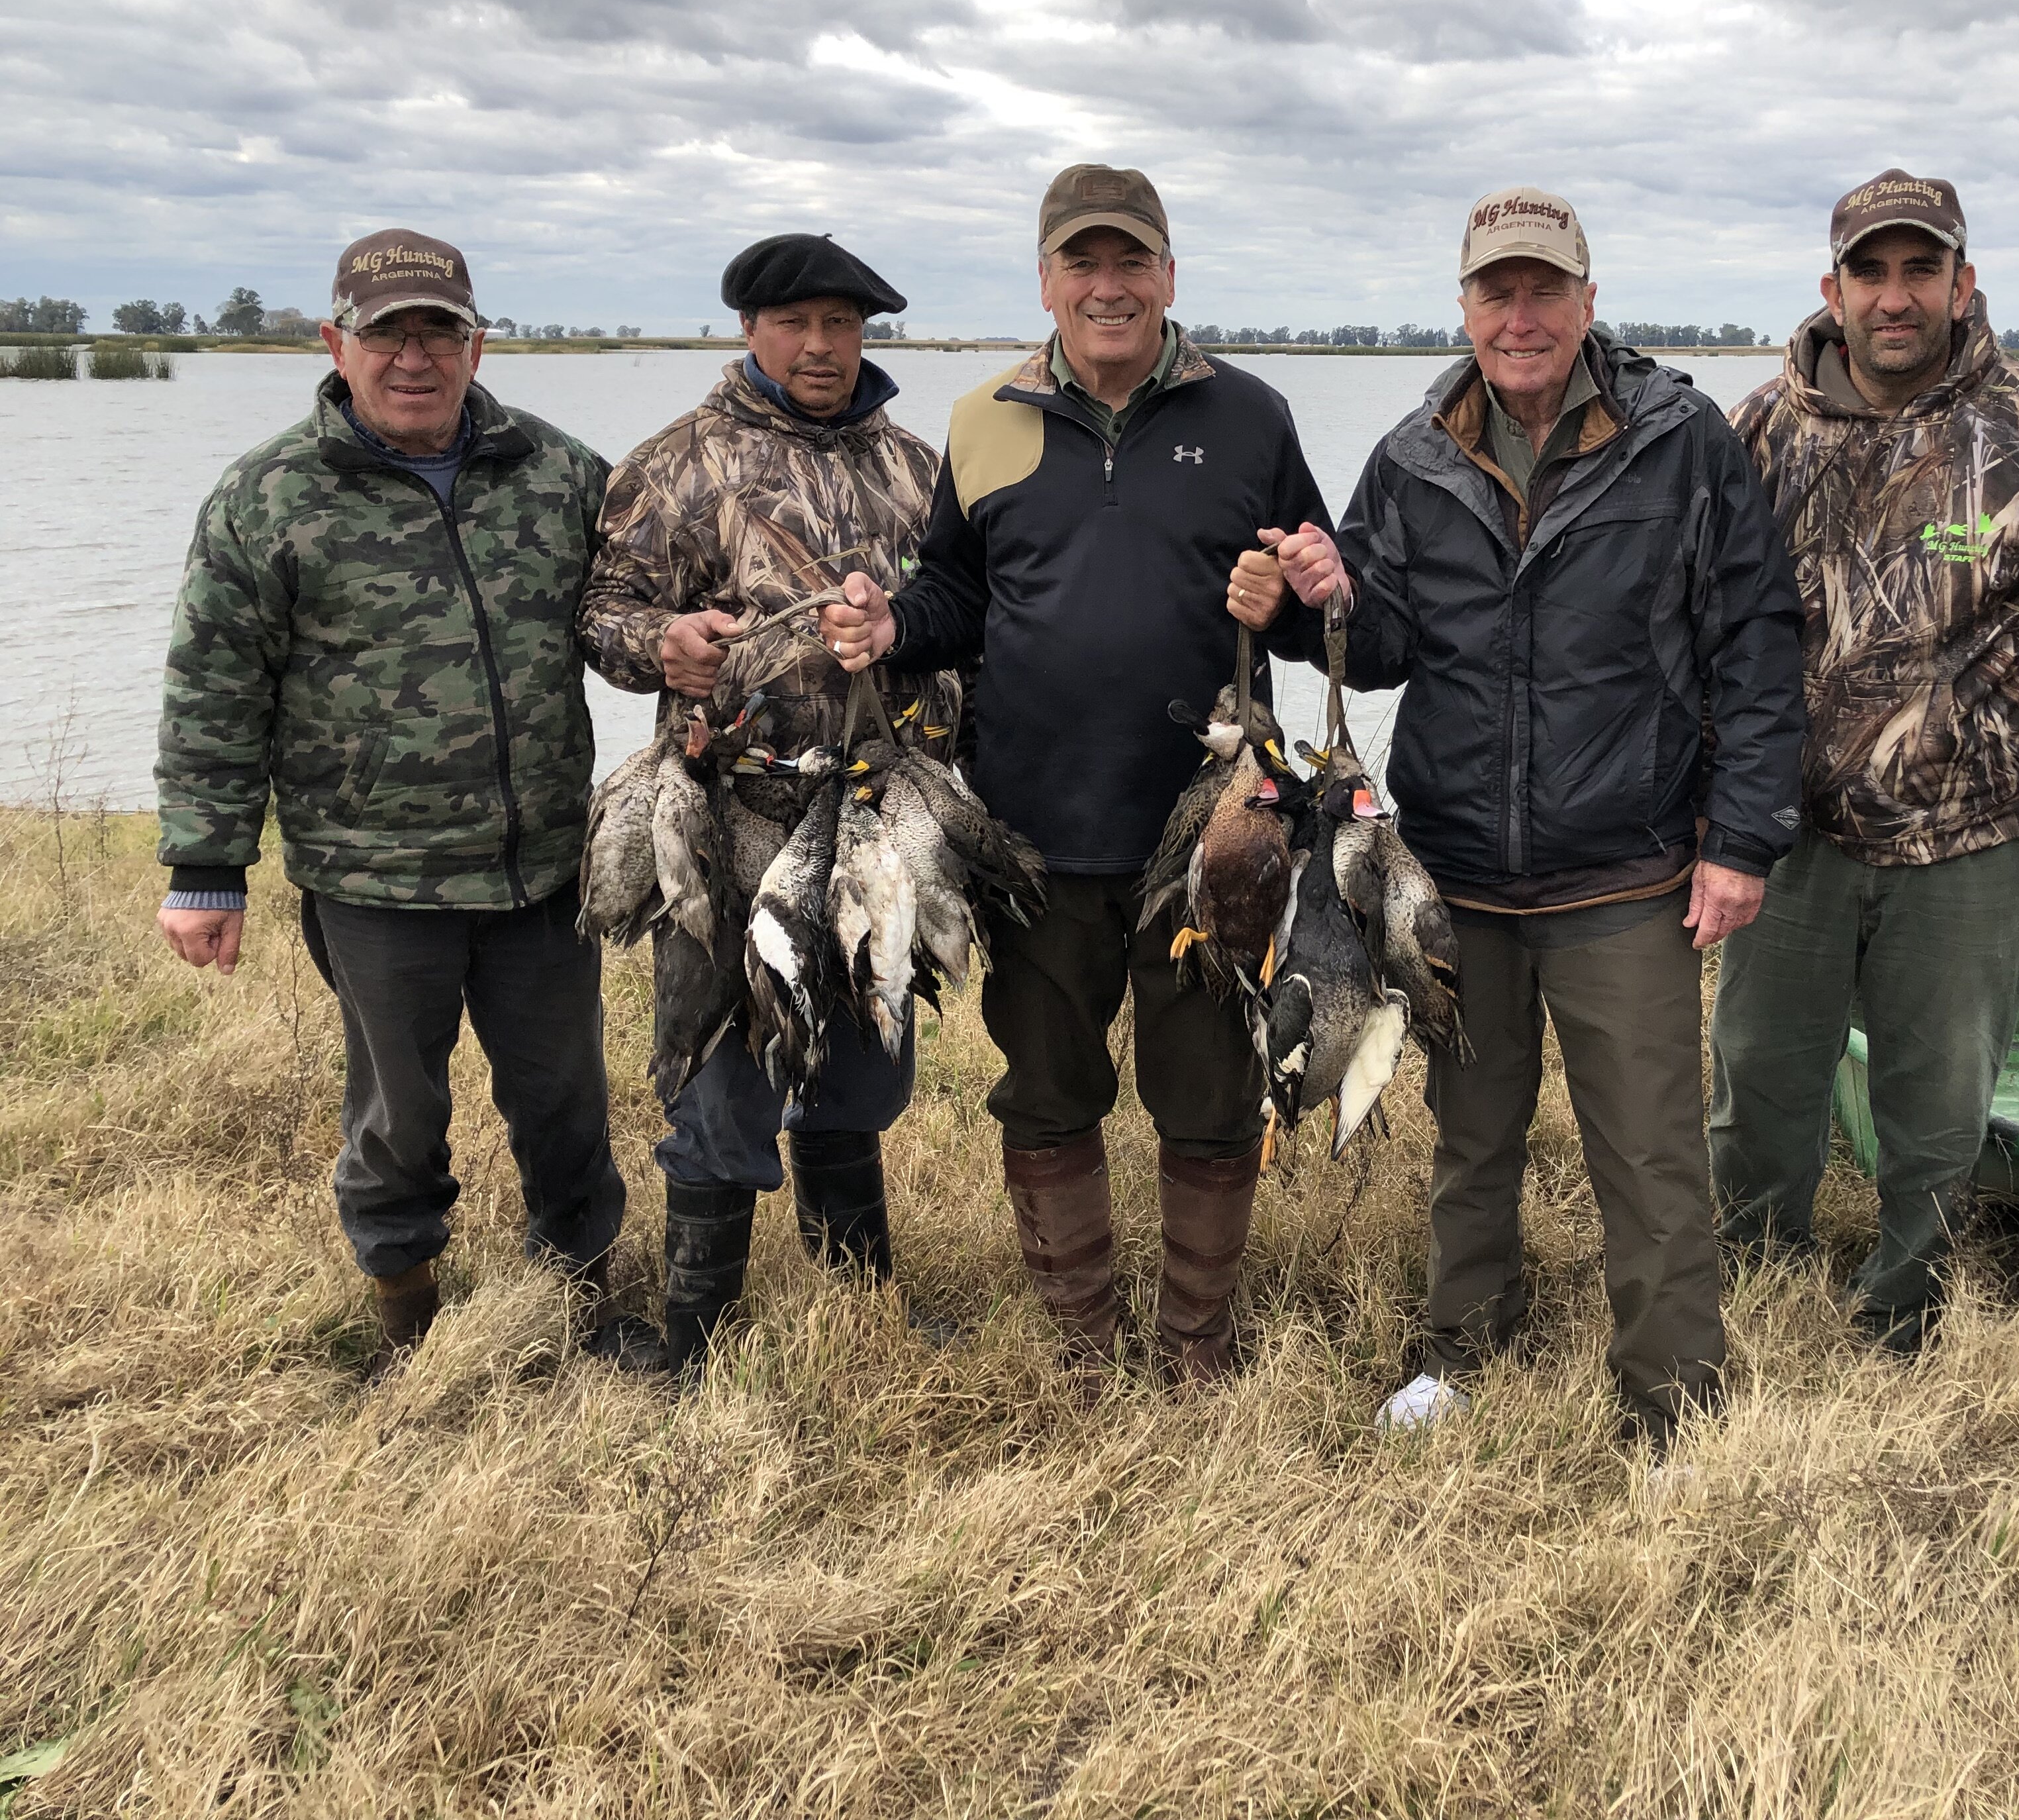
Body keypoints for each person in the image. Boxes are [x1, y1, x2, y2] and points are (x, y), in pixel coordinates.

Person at [1273, 186, 1805, 1446]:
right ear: (1462, 306)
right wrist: (1325, 597)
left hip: (1622, 869)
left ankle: (1673, 1393)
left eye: (1544, 289)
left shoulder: (1681, 442)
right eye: (1495, 292)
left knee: (1651, 1154)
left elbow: (1757, 645)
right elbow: (1384, 642)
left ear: (1587, 297)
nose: (1521, 316)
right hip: (1456, 872)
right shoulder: (1410, 456)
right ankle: (1464, 1343)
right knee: (1474, 1137)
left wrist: (1741, 841)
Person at [821, 166, 1332, 1382]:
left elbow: (1321, 610)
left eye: (1131, 262)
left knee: (1207, 1098)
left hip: (1208, 839)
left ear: (1169, 274)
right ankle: (1085, 1349)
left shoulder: (1254, 418)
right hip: (1034, 829)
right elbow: (955, 591)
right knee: (1049, 1093)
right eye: (1082, 264)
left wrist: (1298, 591)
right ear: (1045, 280)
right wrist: (893, 623)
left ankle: (1193, 1347)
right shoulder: (985, 416)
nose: (1108, 288)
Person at [156, 228, 623, 1375]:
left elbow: (628, 621)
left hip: (545, 868)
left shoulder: (563, 473)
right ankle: (405, 1320)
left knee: (565, 1101)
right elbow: (215, 690)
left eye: (439, 332)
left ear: (477, 343)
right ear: (336, 342)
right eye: (387, 332)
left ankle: (583, 1300)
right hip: (376, 877)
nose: (414, 357)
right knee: (398, 1118)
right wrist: (206, 869)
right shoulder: (268, 499)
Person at [1710, 172, 2019, 1352]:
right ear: (1832, 289)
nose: (1895, 296)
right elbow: (1705, 626)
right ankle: (1756, 1280)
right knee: (1761, 1081)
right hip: (1790, 832)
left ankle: (1904, 1302)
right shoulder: (1762, 427)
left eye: (1920, 269)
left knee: (1938, 1105)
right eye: (1870, 272)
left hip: (1973, 837)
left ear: (1963, 283)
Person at [577, 232, 958, 1376]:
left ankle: (863, 1305)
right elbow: (602, 611)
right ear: (750, 329)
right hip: (727, 815)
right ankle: (696, 1341)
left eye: (841, 324)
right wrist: (667, 645)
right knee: (715, 1067)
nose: (821, 345)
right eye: (796, 324)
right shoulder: (679, 462)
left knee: (861, 1058)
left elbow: (963, 619)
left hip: (874, 816)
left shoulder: (916, 468)